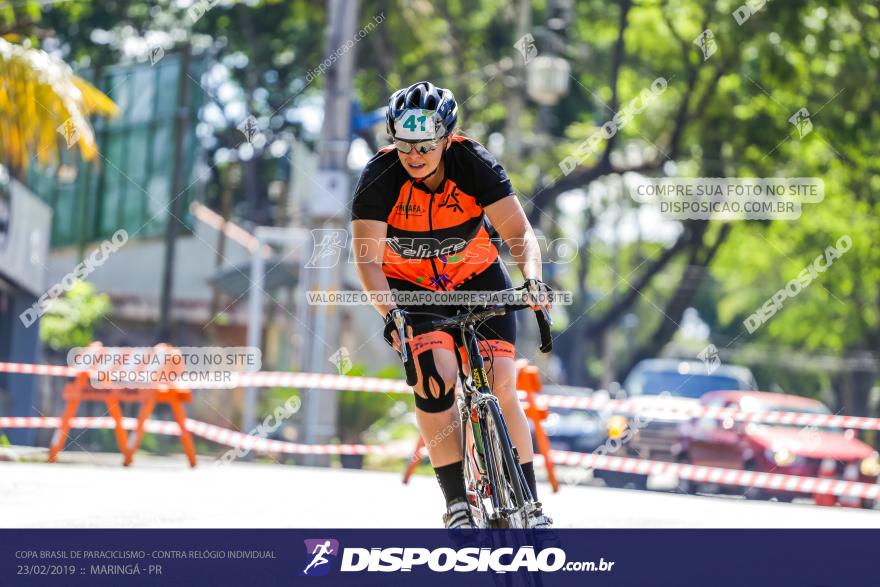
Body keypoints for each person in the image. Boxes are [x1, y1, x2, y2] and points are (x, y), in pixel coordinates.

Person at [350, 81, 552, 529]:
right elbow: (367, 261)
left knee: (501, 383)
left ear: (445, 139)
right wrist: (392, 314)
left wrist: (533, 279)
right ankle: (458, 502)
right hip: (412, 289)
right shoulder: (378, 177)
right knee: (436, 378)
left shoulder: (473, 161)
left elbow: (519, 234)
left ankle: (532, 506)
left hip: (477, 277)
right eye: (404, 145)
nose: (414, 155)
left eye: (424, 145)